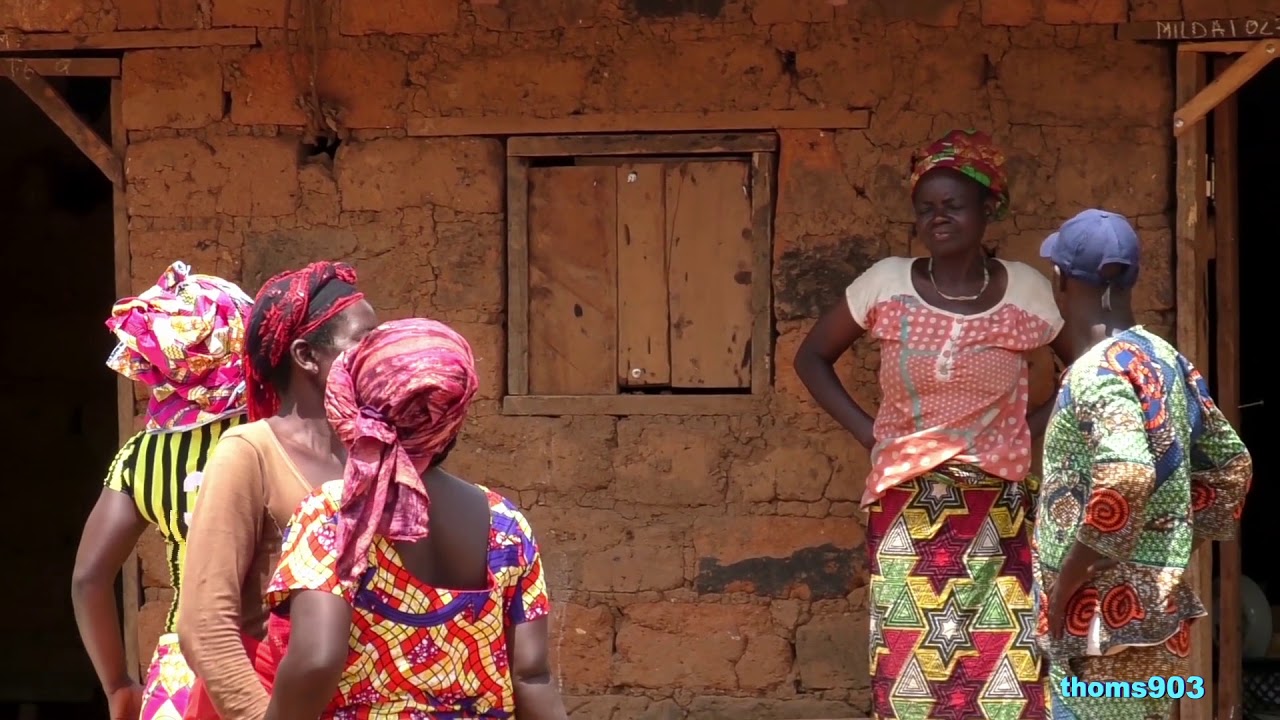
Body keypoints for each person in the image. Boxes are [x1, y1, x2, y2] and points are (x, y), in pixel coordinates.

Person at [793, 129, 1066, 719]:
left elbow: (1086, 367)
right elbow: (810, 358)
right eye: (926, 208)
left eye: (953, 206)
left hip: (999, 509)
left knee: (1005, 668)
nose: (937, 218)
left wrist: (1029, 426)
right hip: (906, 511)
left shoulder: (1026, 291)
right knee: (909, 673)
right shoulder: (885, 283)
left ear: (987, 208)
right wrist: (872, 435)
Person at [258, 318, 568, 719]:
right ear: (452, 418)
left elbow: (316, 659)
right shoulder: (506, 525)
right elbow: (531, 676)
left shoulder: (336, 513)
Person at [1032, 209, 1252, 720]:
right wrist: (1168, 545)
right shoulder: (1166, 359)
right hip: (1156, 616)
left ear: (1061, 279)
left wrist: (1065, 590)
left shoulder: (1095, 374)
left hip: (1096, 628)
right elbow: (1230, 466)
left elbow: (1126, 473)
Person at [177, 261, 378, 720]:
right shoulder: (250, 453)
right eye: (363, 343)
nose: (378, 357)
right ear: (307, 357)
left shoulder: (369, 453)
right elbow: (205, 626)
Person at [72, 261, 253, 720]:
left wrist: (117, 685)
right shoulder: (278, 439)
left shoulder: (141, 457)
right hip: (276, 659)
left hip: (181, 677)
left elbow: (88, 579)